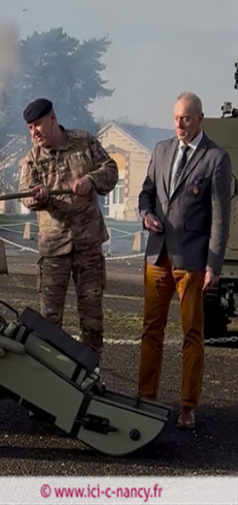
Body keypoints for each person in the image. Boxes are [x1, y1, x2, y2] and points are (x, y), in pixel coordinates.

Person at [137, 91, 232, 430]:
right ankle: (145, 399)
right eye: (176, 117)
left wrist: (213, 265)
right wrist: (146, 214)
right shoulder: (161, 150)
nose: (179, 124)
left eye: (186, 118)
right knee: (151, 329)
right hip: (157, 255)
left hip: (191, 261)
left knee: (192, 333)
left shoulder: (215, 159)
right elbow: (146, 193)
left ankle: (187, 407)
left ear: (199, 119)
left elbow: (220, 218)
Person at [18, 98, 119, 358]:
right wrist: (38, 197)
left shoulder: (83, 142)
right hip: (54, 249)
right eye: (30, 128)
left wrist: (91, 180)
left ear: (52, 119)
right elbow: (25, 194)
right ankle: (51, 376)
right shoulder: (31, 159)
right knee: (49, 323)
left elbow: (111, 170)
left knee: (92, 319)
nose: (34, 132)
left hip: (88, 246)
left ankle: (91, 372)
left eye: (37, 125)